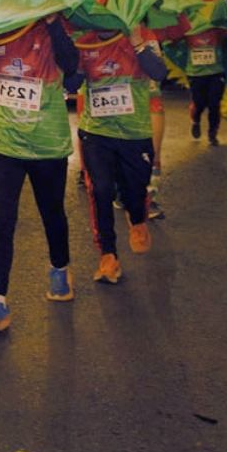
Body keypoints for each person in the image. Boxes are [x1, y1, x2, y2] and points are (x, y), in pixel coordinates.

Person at [0, 17, 79, 334]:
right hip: (3, 143)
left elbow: (72, 67)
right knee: (1, 220)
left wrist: (51, 23)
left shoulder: (51, 28)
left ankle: (59, 268)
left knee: (52, 212)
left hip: (46, 143)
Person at [73, 25, 167, 286]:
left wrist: (137, 44)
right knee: (101, 190)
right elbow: (70, 84)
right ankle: (108, 256)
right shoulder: (85, 41)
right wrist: (75, 63)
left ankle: (137, 219)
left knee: (134, 191)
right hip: (96, 133)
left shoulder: (141, 36)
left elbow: (159, 73)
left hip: (134, 135)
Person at [184, 18, 227, 146]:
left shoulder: (217, 32)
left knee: (214, 104)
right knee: (199, 103)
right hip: (196, 74)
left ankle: (212, 133)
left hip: (215, 73)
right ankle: (196, 121)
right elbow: (172, 42)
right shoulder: (188, 33)